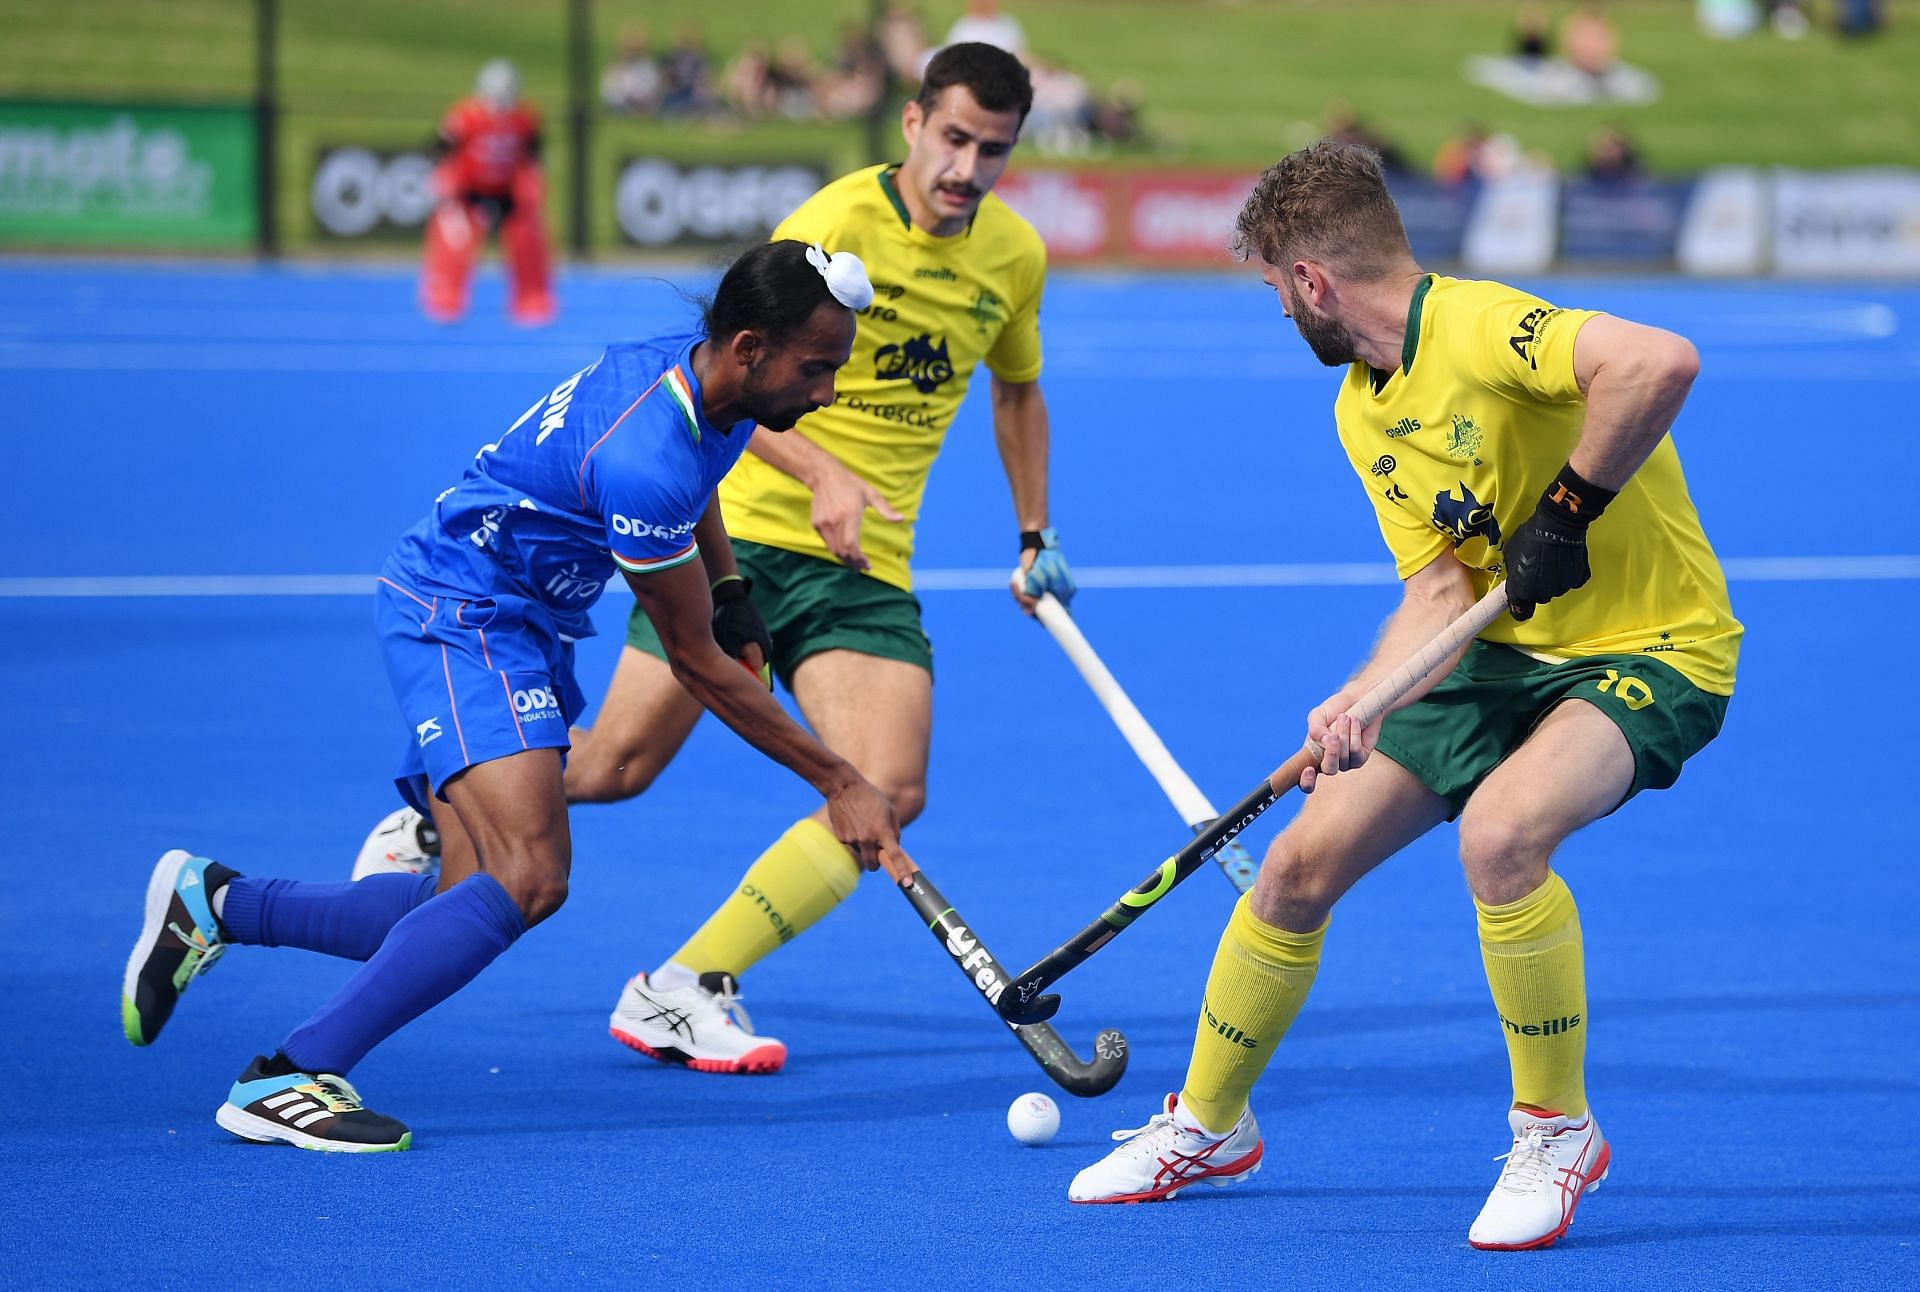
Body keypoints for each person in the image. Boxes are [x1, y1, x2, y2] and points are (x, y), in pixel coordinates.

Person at [1068, 140, 1740, 1253]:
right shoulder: (1361, 406)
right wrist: (1364, 695)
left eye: (1278, 290)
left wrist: (1566, 510)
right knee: (1293, 865)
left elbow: (1661, 361)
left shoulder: (1480, 328)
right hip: (1504, 653)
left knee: (1502, 833)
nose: (1282, 314)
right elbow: (1439, 586)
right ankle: (1209, 1122)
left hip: (1654, 647)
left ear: (1312, 282)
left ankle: (1556, 1128)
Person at [354, 42, 1070, 1078]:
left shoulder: (1014, 256)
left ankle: (685, 984)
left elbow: (1016, 392)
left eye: (992, 149)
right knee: (613, 766)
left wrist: (1035, 533)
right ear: (913, 123)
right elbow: (733, 377)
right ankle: (437, 816)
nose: (967, 166)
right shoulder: (832, 223)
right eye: (953, 137)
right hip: (729, 535)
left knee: (888, 786)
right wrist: (820, 471)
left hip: (866, 562)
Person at [121, 240, 902, 1151]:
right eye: (816, 369)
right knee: (529, 878)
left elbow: (703, 478)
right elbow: (693, 664)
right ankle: (288, 1076)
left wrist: (731, 592)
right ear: (748, 346)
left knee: (456, 901)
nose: (826, 395)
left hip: (516, 617)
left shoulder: (698, 378)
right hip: (464, 613)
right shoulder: (645, 452)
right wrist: (840, 779)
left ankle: (216, 902)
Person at [420, 59, 555, 326]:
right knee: (454, 243)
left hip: (508, 191)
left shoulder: (524, 118)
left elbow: (533, 153)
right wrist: (441, 178)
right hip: (469, 191)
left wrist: (533, 184)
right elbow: (441, 146)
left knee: (528, 241)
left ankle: (531, 300)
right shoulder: (464, 116)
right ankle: (445, 298)